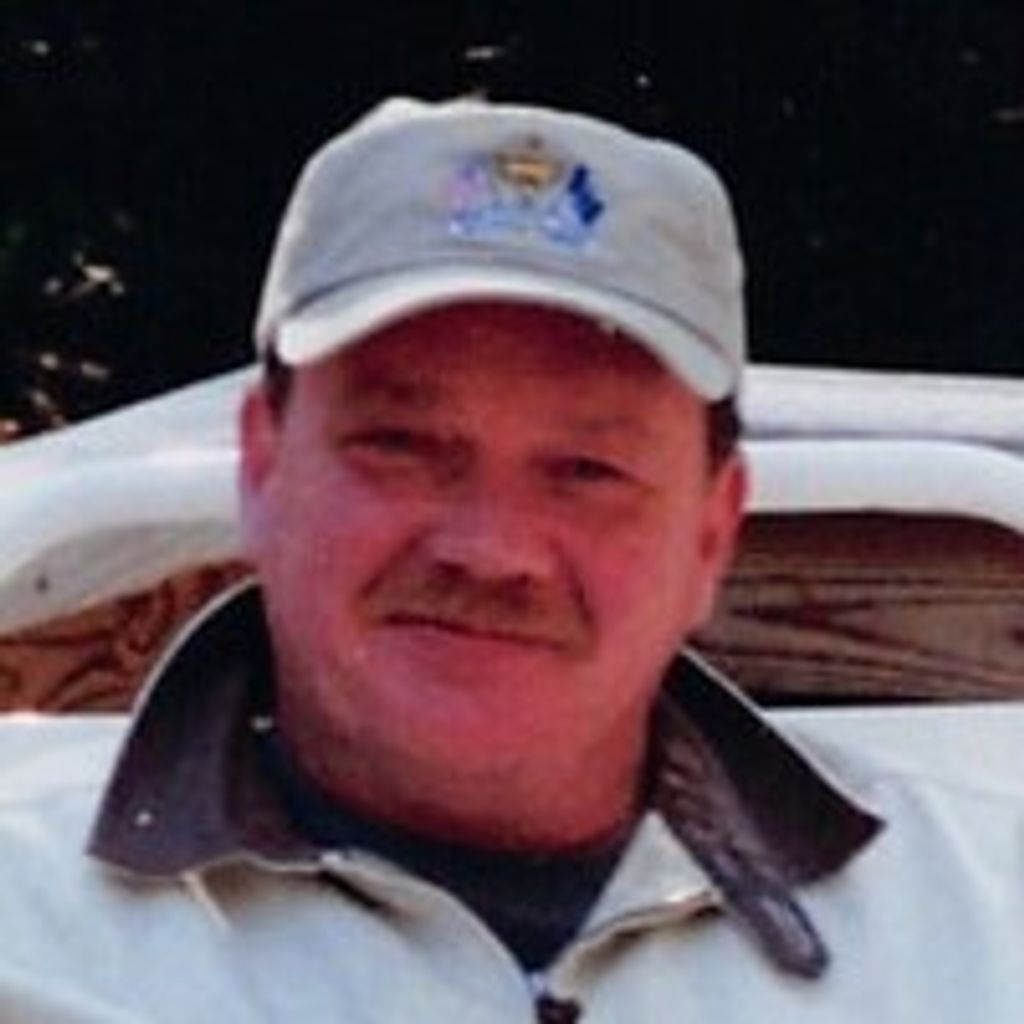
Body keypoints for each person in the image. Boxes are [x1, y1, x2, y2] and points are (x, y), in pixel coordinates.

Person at [1, 96, 1022, 1023]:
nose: (491, 550)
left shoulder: (981, 920)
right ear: (263, 468)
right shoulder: (28, 927)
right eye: (400, 445)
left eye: (587, 469)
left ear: (712, 530)